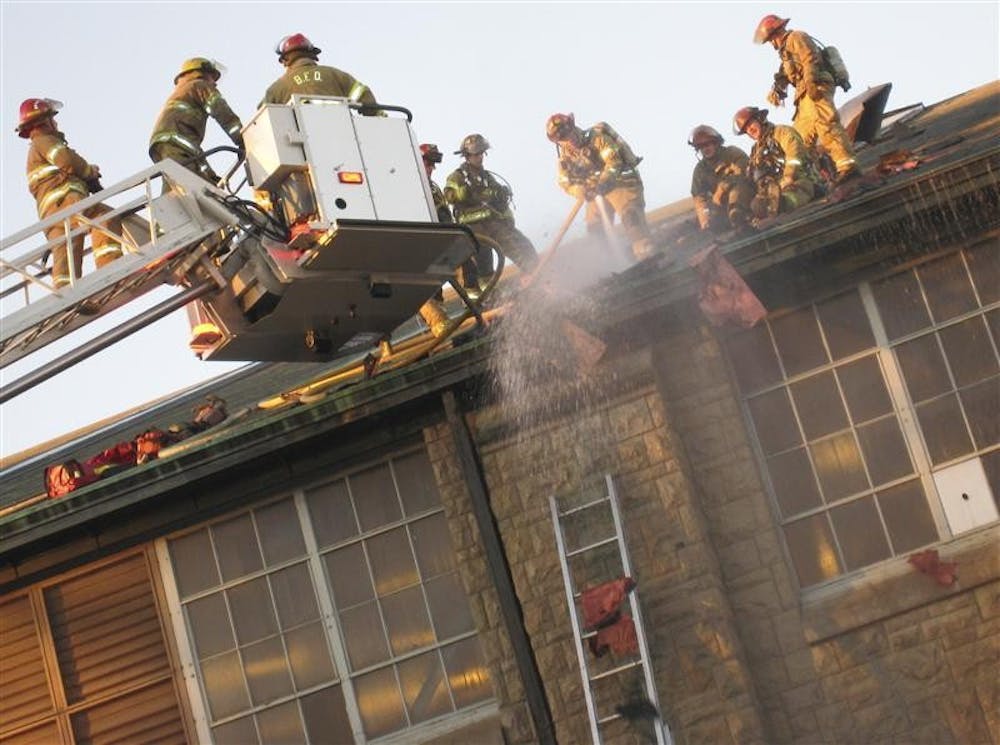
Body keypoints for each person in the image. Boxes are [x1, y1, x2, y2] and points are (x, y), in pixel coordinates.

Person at [17, 98, 123, 289]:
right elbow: (68, 161)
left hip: (52, 215)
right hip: (67, 202)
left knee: (66, 251)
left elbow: (58, 174)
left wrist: (87, 181)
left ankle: (66, 294)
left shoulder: (35, 150)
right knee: (105, 216)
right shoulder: (44, 140)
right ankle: (111, 269)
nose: (56, 123)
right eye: (52, 119)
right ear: (44, 121)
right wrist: (89, 171)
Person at [754, 14, 860, 184]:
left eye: (771, 40)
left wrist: (811, 81)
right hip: (803, 97)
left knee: (826, 125)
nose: (772, 45)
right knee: (800, 139)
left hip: (816, 87)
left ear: (776, 33)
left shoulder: (796, 37)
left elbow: (810, 57)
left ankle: (848, 167)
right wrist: (777, 90)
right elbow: (785, 75)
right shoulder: (785, 53)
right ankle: (812, 181)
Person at [545, 113, 656, 261]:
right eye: (562, 138)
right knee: (595, 230)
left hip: (622, 182)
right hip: (596, 193)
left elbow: (613, 162)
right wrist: (580, 190)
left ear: (573, 127)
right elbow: (565, 182)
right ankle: (610, 265)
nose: (568, 140)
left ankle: (647, 255)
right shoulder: (565, 158)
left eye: (568, 133)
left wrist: (603, 182)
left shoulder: (597, 138)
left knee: (631, 217)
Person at [444, 134, 538, 283]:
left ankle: (535, 274)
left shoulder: (487, 177)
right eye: (476, 154)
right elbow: (449, 196)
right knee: (483, 265)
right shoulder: (457, 177)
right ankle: (487, 296)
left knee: (522, 245)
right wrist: (464, 193)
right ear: (467, 155)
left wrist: (501, 194)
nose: (480, 157)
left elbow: (497, 198)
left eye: (481, 153)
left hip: (493, 222)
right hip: (474, 227)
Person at [150, 58, 243, 185]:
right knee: (189, 187)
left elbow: (195, 155)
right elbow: (222, 113)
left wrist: (211, 176)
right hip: (175, 143)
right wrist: (244, 139)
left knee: (177, 192)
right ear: (201, 73)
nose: (214, 84)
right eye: (212, 77)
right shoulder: (199, 85)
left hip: (164, 145)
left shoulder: (182, 92)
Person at [733, 106, 818, 222]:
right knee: (757, 205)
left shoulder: (782, 132)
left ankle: (780, 205)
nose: (750, 130)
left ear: (760, 119)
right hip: (772, 192)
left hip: (800, 182)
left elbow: (795, 153)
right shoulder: (755, 151)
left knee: (783, 202)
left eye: (751, 124)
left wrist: (788, 177)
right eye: (746, 129)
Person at [261, 33, 376, 107]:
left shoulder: (278, 88)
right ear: (312, 54)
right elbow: (364, 96)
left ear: (285, 60)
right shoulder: (334, 75)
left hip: (297, 144)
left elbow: (260, 122)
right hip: (344, 136)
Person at [688, 125, 754, 234]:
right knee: (712, 224)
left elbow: (743, 171)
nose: (705, 149)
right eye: (701, 147)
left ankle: (739, 218)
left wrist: (722, 188)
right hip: (722, 205)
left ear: (716, 143)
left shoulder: (732, 153)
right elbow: (699, 198)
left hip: (747, 196)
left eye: (708, 144)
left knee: (737, 190)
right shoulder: (700, 170)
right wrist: (705, 220)